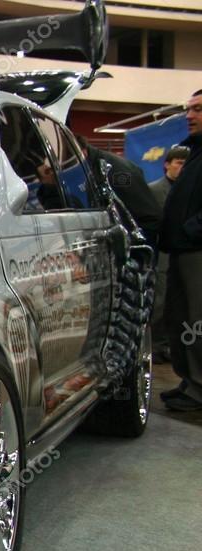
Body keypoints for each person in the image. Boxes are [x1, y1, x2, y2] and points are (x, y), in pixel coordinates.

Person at [158, 89, 202, 411]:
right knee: (182, 318)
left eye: (198, 109)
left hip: (196, 250)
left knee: (196, 321)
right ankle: (191, 382)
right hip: (183, 250)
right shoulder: (196, 152)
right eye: (189, 109)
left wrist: (190, 232)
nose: (189, 115)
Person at [148, 146, 190, 363]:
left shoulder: (190, 190)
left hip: (184, 251)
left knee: (180, 303)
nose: (181, 168)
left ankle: (170, 345)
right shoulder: (154, 190)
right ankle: (155, 345)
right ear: (167, 164)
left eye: (185, 164)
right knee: (160, 301)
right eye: (178, 163)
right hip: (162, 252)